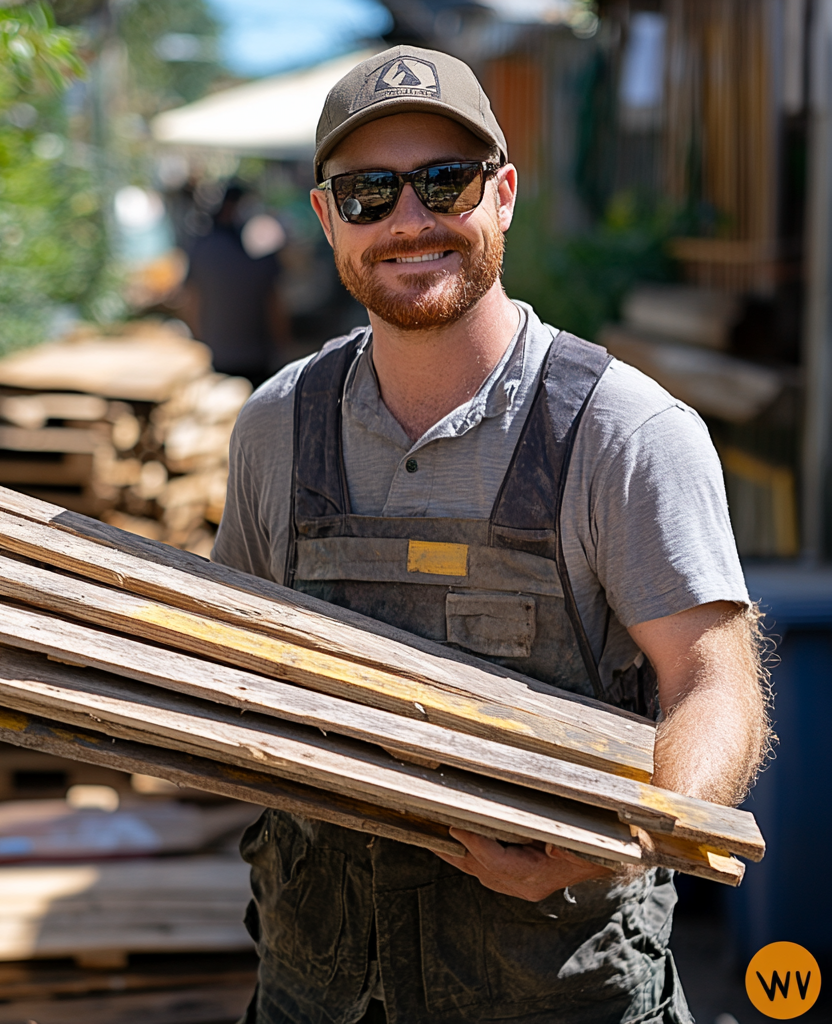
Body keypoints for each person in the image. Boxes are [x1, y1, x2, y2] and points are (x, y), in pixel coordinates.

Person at [212, 45, 770, 1024]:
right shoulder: (276, 428)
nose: (409, 221)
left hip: (563, 992)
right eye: (369, 193)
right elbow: (229, 668)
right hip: (317, 993)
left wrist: (628, 835)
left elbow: (713, 683)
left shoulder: (618, 433)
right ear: (326, 220)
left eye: (444, 183)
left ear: (502, 195)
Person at [183, 185, 289, 388]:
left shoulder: (201, 247)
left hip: (220, 356)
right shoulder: (262, 249)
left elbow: (191, 301)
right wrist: (282, 348)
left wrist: (201, 342)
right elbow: (275, 306)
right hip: (256, 359)